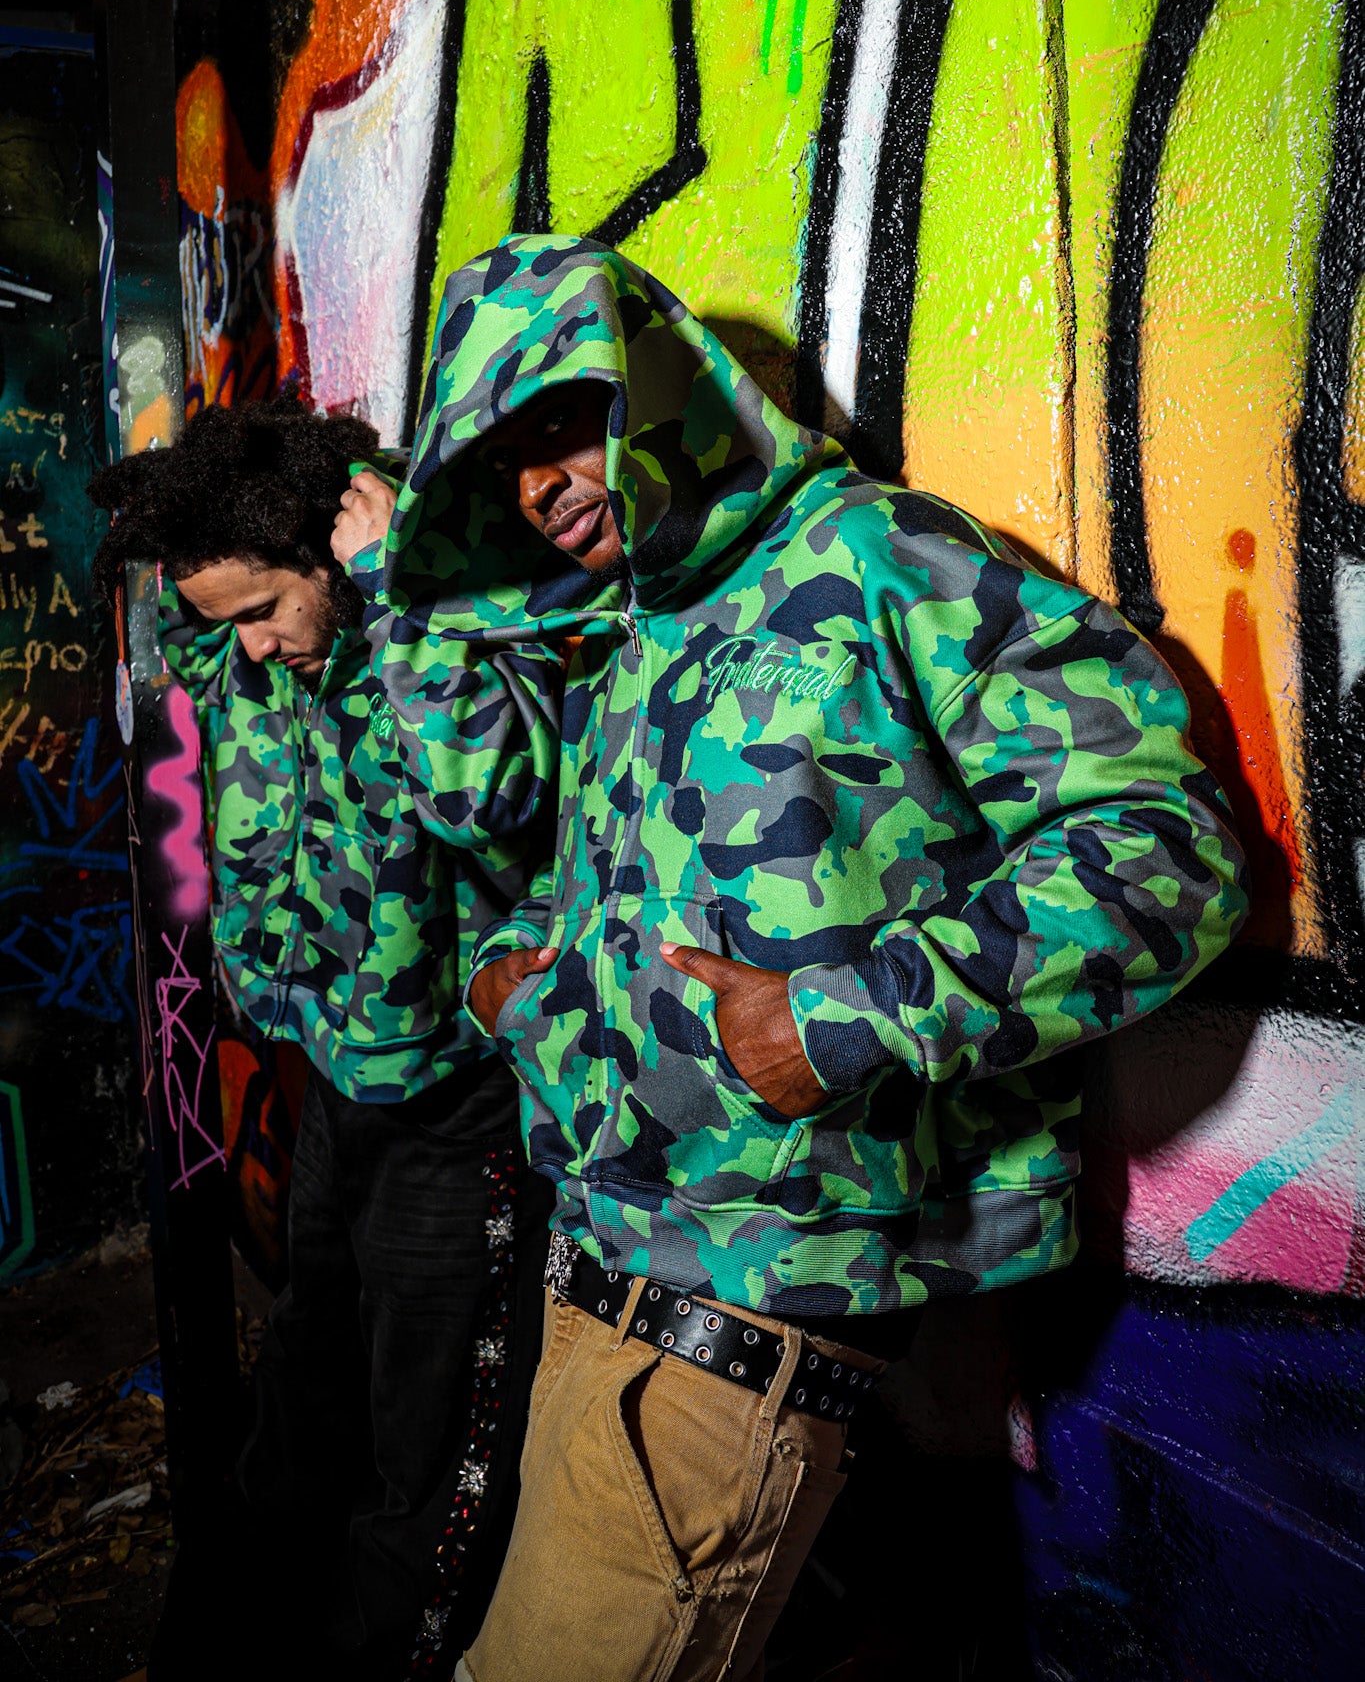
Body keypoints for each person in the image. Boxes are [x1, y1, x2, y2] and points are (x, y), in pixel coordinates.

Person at [378, 234, 1248, 1682]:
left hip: (752, 1301)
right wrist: (520, 971)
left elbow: (1166, 846)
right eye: (499, 461)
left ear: (664, 386)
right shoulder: (630, 627)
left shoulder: (877, 558)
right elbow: (618, 877)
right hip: (601, 1251)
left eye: (562, 418)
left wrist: (854, 1018)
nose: (537, 485)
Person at [89, 396, 561, 1681]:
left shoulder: (450, 628)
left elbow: (496, 792)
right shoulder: (246, 654)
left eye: (261, 610)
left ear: (330, 554)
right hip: (338, 1083)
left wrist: (398, 591)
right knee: (303, 1391)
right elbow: (175, 616)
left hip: (459, 1104)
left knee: (430, 1447)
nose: (246, 647)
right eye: (222, 621)